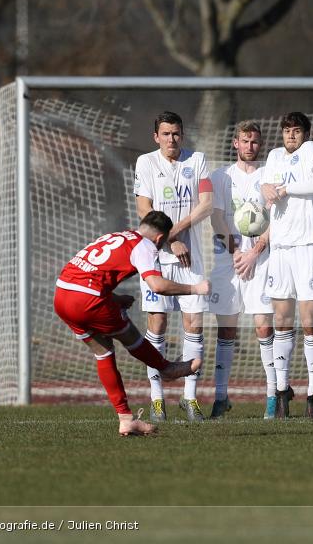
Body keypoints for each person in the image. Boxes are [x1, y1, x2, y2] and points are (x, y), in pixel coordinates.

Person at [53, 211, 208, 435]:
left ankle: (126, 419)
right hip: (87, 298)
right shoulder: (145, 246)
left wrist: (115, 299)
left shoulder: (114, 236)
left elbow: (92, 274)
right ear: (159, 238)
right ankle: (167, 368)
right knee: (131, 337)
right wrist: (195, 288)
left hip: (62, 294)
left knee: (103, 352)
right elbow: (156, 285)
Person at [133, 111, 214, 423]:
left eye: (176, 133)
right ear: (156, 137)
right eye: (165, 134)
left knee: (194, 325)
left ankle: (190, 398)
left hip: (190, 257)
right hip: (155, 257)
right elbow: (144, 209)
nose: (171, 139)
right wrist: (169, 241)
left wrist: (176, 234)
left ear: (183, 134)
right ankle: (157, 400)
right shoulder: (146, 162)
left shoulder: (198, 161)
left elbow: (205, 204)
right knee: (158, 325)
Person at [260, 112, 313, 418]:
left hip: (306, 246)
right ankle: (283, 388)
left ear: (305, 134)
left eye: (296, 131)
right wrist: (266, 191)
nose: (291, 136)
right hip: (280, 248)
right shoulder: (274, 156)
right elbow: (265, 190)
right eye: (287, 130)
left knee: (309, 317)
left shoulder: (312, 151)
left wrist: (285, 188)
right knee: (281, 318)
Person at [207, 120, 274, 419]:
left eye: (255, 142)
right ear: (235, 143)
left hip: (262, 262)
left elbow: (277, 220)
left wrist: (255, 252)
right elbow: (217, 218)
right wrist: (237, 253)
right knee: (226, 329)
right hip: (228, 262)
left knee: (263, 326)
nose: (250, 147)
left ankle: (274, 397)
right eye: (245, 141)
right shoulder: (221, 176)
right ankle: (220, 398)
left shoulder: (269, 176)